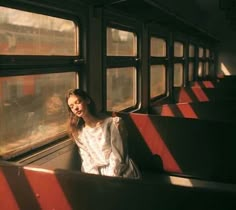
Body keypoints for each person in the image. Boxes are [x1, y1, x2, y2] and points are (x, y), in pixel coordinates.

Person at [65, 88, 141, 179]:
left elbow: (119, 158)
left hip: (121, 172)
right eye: (71, 106)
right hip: (98, 175)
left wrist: (107, 180)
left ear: (87, 100)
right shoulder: (79, 133)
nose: (75, 108)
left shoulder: (113, 124)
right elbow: (87, 161)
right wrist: (96, 180)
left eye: (78, 102)